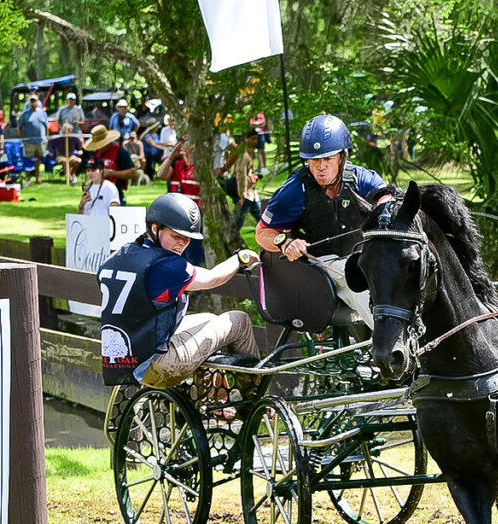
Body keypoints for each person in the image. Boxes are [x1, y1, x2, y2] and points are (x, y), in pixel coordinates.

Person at [96, 192, 260, 387]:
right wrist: (239, 258)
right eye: (176, 236)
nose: (182, 243)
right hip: (158, 365)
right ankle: (253, 402)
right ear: (155, 228)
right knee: (239, 320)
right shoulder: (167, 266)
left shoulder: (120, 255)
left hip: (126, 359)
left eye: (188, 238)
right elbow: (213, 278)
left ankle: (213, 402)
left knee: (209, 319)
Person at [254, 114, 390, 329]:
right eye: (314, 160)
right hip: (321, 264)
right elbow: (262, 233)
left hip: (364, 256)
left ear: (342, 156)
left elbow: (386, 197)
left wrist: (385, 204)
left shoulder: (361, 179)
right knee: (354, 275)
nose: (320, 167)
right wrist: (285, 243)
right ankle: (390, 341)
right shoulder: (294, 189)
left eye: (328, 159)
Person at [157, 138, 204, 266]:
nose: (187, 156)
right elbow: (161, 175)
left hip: (192, 216)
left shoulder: (199, 168)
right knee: (173, 250)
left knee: (192, 252)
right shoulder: (177, 165)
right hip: (174, 215)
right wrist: (172, 156)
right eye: (184, 153)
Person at [83, 124, 138, 205]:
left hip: (115, 195)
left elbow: (133, 173)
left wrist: (111, 173)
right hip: (96, 194)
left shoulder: (120, 152)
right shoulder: (96, 154)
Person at [233, 128, 263, 249]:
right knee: (237, 223)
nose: (255, 141)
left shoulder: (248, 153)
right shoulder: (244, 155)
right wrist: (242, 195)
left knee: (262, 219)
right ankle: (233, 245)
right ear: (246, 140)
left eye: (256, 138)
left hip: (252, 194)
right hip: (246, 196)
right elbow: (240, 175)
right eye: (253, 139)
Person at [17, 95, 49, 183]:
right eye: (31, 101)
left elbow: (46, 127)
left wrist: (47, 137)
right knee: (28, 160)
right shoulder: (25, 114)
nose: (33, 103)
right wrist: (22, 138)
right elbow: (19, 126)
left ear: (38, 102)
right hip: (29, 142)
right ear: (29, 102)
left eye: (35, 101)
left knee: (38, 160)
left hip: (41, 141)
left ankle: (38, 178)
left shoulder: (43, 113)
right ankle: (28, 178)